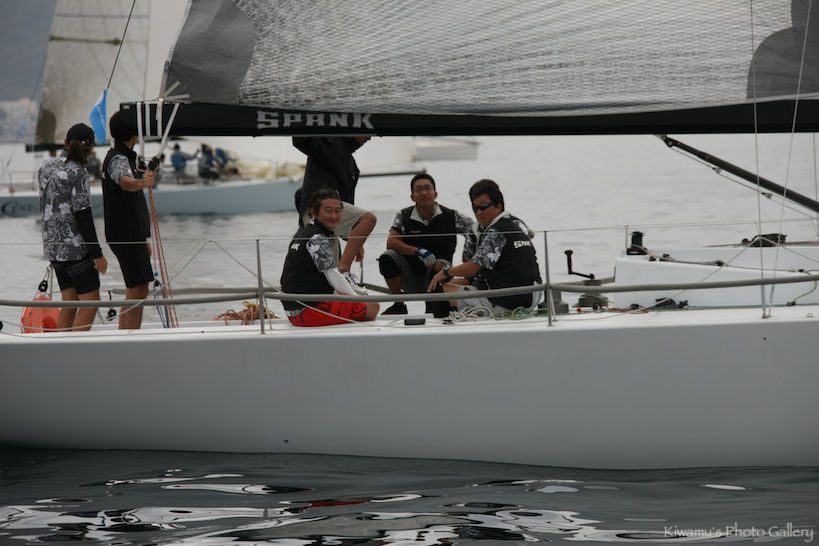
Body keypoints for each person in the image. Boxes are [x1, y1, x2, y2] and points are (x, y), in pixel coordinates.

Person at [428, 179, 540, 313]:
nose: (479, 212)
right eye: (475, 208)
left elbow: (472, 268)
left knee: (437, 289)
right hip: (531, 295)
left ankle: (445, 325)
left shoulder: (496, 231)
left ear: (498, 207)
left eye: (484, 206)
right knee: (455, 284)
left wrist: (445, 271)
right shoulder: (517, 225)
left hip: (506, 301)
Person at [38, 123, 108, 331]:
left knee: (70, 301)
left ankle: (61, 345)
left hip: (53, 247)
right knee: (90, 302)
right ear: (91, 148)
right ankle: (75, 346)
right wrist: (97, 254)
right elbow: (83, 216)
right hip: (75, 250)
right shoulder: (79, 173)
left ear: (65, 142)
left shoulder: (46, 167)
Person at [280, 189, 379, 326]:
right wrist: (357, 298)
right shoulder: (317, 239)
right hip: (308, 312)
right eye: (328, 211)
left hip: (295, 311)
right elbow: (333, 276)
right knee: (373, 306)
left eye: (338, 211)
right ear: (314, 212)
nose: (334, 216)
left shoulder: (304, 234)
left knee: (358, 302)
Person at [378, 173, 475, 315]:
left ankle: (432, 307)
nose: (424, 193)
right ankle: (399, 304)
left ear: (435, 194)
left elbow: (476, 231)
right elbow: (391, 242)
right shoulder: (403, 216)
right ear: (412, 197)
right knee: (387, 257)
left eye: (427, 188)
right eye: (418, 190)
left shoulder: (451, 216)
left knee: (439, 265)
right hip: (411, 276)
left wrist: (469, 258)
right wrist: (418, 251)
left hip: (441, 273)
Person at [101, 111, 155, 329]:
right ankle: (131, 337)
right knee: (140, 289)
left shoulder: (121, 156)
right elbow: (124, 182)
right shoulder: (119, 159)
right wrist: (143, 182)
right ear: (135, 133)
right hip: (127, 234)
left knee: (134, 288)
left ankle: (124, 335)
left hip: (130, 234)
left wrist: (143, 237)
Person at [292, 136, 376, 275]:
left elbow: (347, 204)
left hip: (325, 219)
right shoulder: (327, 142)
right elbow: (301, 141)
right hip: (317, 212)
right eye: (367, 132)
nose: (369, 138)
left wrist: (354, 240)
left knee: (330, 275)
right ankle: (344, 269)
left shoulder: (351, 164)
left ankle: (340, 274)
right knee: (368, 219)